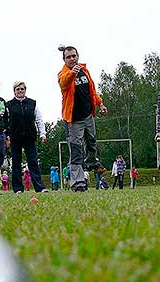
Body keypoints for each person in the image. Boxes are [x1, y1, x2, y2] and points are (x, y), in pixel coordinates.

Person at [57, 45, 108, 192]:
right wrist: (72, 73)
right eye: (68, 57)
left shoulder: (85, 71)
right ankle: (78, 183)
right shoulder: (63, 74)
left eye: (74, 56)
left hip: (88, 115)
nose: (72, 59)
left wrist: (101, 103)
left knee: (92, 141)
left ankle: (92, 161)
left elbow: (92, 91)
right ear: (64, 60)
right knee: (76, 149)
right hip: (74, 120)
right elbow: (63, 83)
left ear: (77, 56)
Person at [6, 81, 48, 194]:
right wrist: (7, 137)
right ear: (14, 91)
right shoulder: (8, 105)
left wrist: (43, 134)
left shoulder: (32, 103)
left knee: (33, 162)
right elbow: (5, 122)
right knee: (16, 163)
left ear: (25, 90)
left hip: (30, 136)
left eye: (22, 89)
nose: (20, 91)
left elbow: (39, 120)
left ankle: (40, 187)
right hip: (15, 138)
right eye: (18, 89)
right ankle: (18, 188)